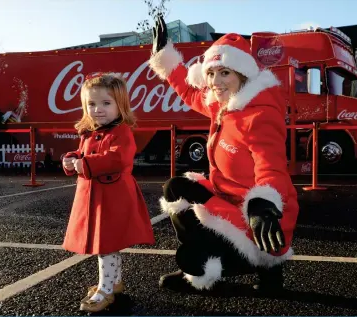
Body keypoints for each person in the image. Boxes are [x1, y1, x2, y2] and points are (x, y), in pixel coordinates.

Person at [148, 15, 299, 292]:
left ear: (243, 75)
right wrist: (166, 59)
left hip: (257, 215)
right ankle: (255, 271)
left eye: (225, 72)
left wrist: (262, 205)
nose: (215, 82)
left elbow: (272, 167)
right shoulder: (223, 106)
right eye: (210, 73)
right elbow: (187, 90)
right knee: (176, 188)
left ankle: (253, 267)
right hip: (225, 198)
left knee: (194, 258)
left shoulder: (259, 115)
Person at [62, 73, 155, 312]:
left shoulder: (122, 132)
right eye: (91, 104)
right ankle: (114, 284)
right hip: (98, 199)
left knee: (106, 246)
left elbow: (117, 157)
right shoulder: (89, 133)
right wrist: (72, 159)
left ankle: (105, 289)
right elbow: (81, 153)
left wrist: (86, 164)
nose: (97, 110)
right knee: (107, 244)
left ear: (120, 105)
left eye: (106, 103)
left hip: (112, 200)